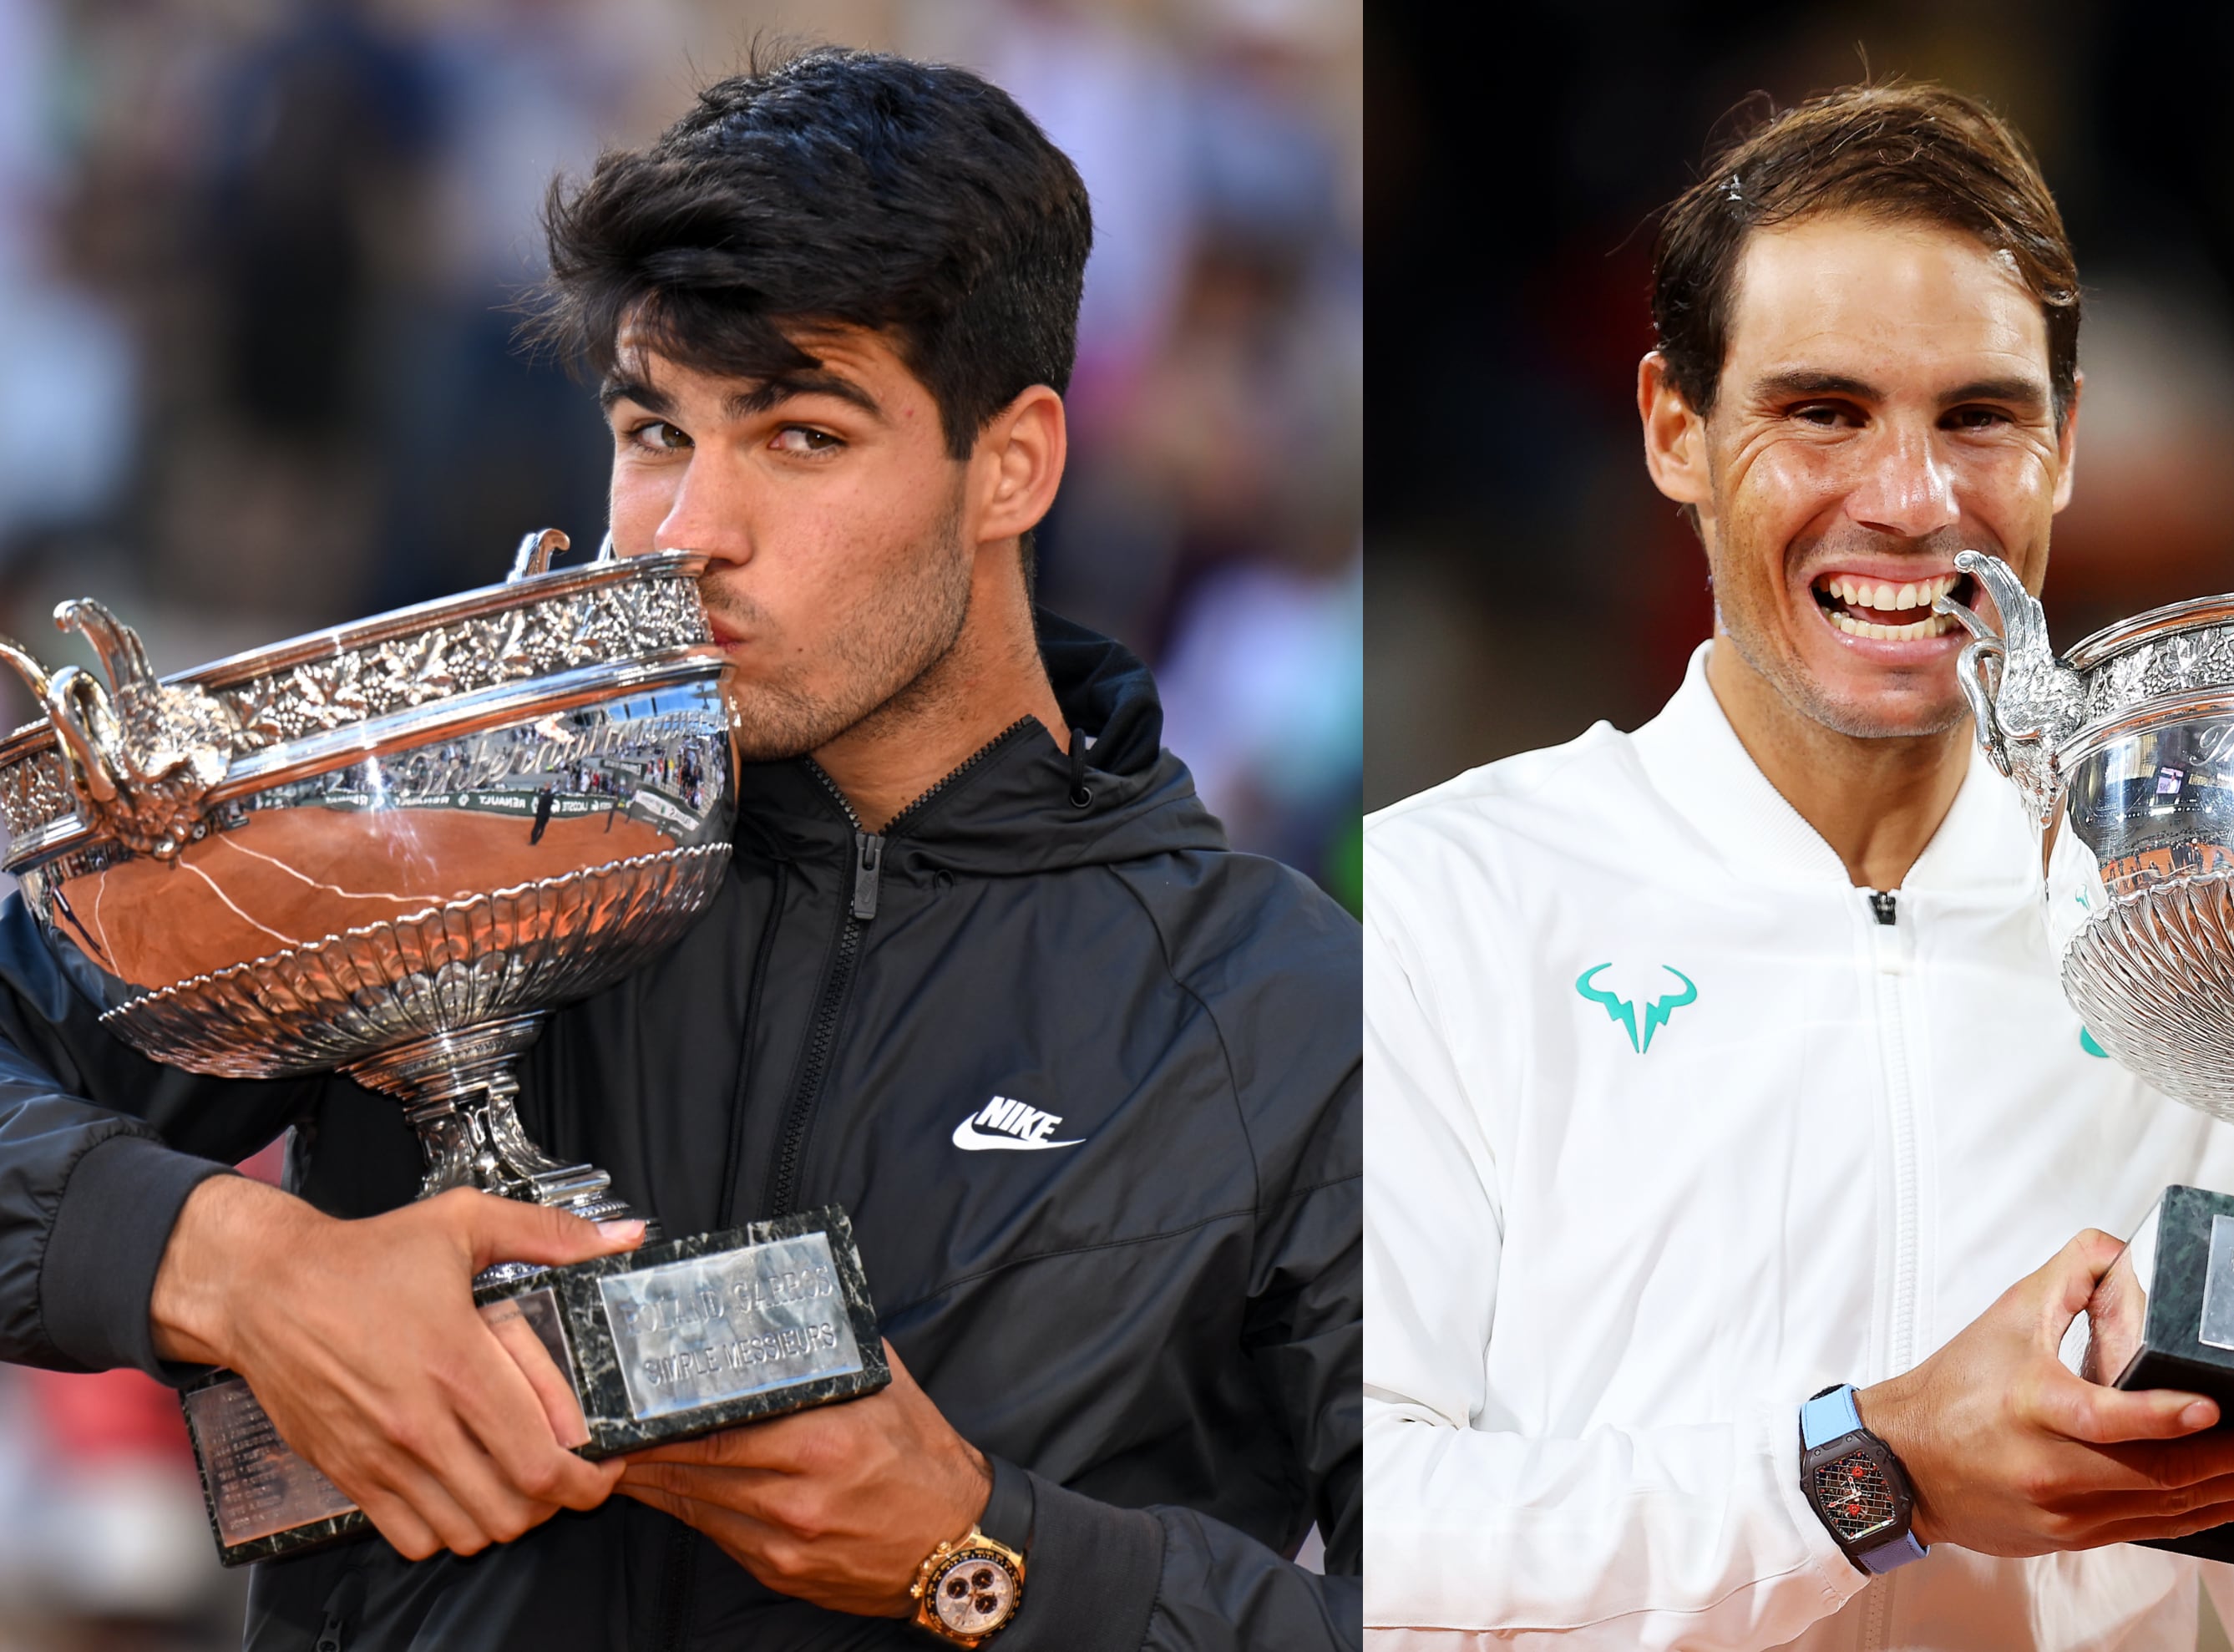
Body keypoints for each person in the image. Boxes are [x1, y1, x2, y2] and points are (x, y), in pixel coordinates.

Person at [0, 48, 1358, 1650]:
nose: (684, 528)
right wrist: (232, 1263)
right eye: (654, 429)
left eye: (799, 436)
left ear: (1017, 463)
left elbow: (1514, 1615)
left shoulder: (1286, 1013)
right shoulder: (429, 827)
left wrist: (990, 1555)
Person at [1360, 84, 2234, 1650]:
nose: (1912, 499)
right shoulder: (1444, 907)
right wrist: (1864, 1473)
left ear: (2067, 445)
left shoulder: (2196, 953)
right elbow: (1364, 1531)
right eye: (1824, 411)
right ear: (1677, 427)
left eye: (1979, 417)